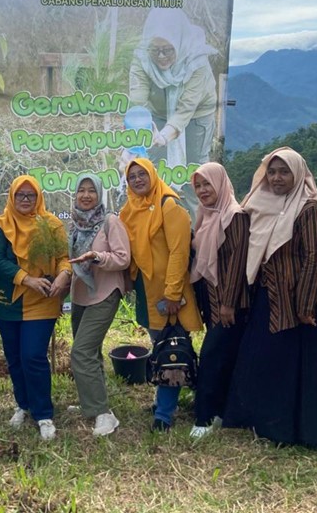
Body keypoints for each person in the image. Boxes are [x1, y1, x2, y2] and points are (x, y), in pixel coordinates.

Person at [223, 147, 317, 447]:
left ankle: (303, 429)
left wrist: (305, 304)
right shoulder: (260, 205)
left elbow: (315, 257)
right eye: (272, 172)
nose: (277, 178)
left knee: (305, 367)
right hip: (270, 297)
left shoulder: (309, 209)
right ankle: (269, 423)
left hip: (304, 304)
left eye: (284, 172)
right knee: (269, 360)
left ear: (297, 174)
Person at [119, 158, 202, 431]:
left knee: (171, 348)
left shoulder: (169, 205)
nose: (138, 180)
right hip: (146, 291)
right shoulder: (130, 210)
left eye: (142, 174)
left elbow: (179, 252)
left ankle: (165, 413)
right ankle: (167, 400)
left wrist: (173, 294)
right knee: (160, 345)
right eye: (132, 176)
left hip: (169, 293)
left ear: (153, 175)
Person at [0, 174, 72, 441]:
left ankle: (43, 413)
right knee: (14, 358)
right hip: (8, 302)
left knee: (33, 356)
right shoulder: (1, 225)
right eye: (20, 195)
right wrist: (27, 279)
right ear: (12, 197)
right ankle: (23, 404)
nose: (25, 199)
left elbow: (63, 258)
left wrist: (64, 274)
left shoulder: (51, 224)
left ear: (38, 197)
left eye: (31, 195)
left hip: (42, 300)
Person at [188, 162, 250, 439]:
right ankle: (223, 412)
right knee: (223, 357)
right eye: (198, 186)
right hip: (211, 301)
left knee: (212, 356)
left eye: (207, 185)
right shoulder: (205, 216)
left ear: (221, 184)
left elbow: (237, 263)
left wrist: (228, 303)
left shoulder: (234, 216)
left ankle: (204, 417)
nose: (202, 191)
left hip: (230, 303)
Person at [67, 173, 131, 437]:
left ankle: (103, 414)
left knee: (81, 352)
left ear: (99, 194)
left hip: (105, 293)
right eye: (81, 190)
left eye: (91, 190)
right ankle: (90, 399)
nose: (85, 195)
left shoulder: (109, 221)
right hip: (80, 295)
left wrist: (97, 257)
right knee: (90, 352)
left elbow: (123, 258)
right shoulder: (74, 224)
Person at [128, 8, 218, 170]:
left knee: (195, 165)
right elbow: (137, 99)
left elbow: (186, 108)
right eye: (155, 50)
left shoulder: (197, 60)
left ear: (179, 42)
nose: (161, 56)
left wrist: (164, 136)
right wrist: (134, 131)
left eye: (168, 49)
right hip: (158, 111)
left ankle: (191, 189)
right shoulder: (143, 55)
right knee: (155, 161)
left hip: (197, 113)